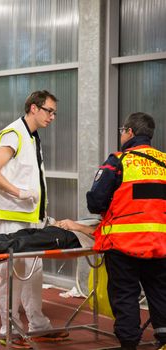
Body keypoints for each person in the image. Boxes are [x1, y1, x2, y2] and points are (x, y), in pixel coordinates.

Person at [0, 90, 63, 339]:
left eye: (54, 113)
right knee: (12, 276)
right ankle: (10, 329)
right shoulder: (14, 133)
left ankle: (38, 324)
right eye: (49, 111)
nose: (52, 117)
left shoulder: (32, 137)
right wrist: (18, 192)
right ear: (33, 108)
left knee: (33, 274)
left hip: (30, 219)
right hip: (11, 219)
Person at [86, 112, 166, 350]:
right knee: (160, 292)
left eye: (122, 130)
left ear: (129, 132)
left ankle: (130, 344)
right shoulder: (164, 163)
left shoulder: (117, 161)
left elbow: (95, 202)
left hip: (123, 245)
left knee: (125, 295)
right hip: (160, 243)